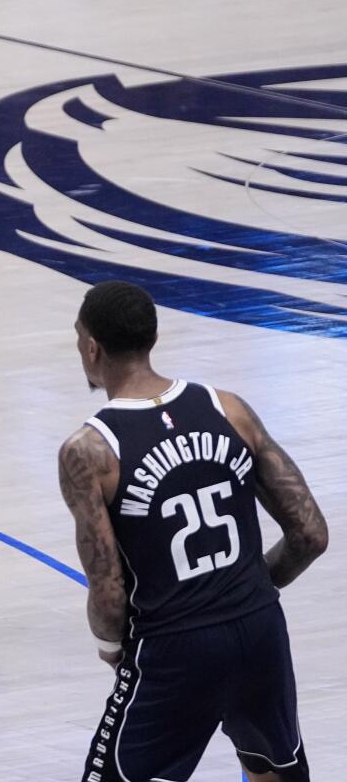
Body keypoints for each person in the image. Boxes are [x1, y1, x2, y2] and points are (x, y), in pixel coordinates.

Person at [59, 281, 328, 782]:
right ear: (152, 338)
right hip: (260, 630)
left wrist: (111, 644)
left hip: (175, 647)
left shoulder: (90, 451)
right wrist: (253, 588)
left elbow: (109, 588)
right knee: (273, 768)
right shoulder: (229, 409)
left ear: (91, 347)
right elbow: (311, 532)